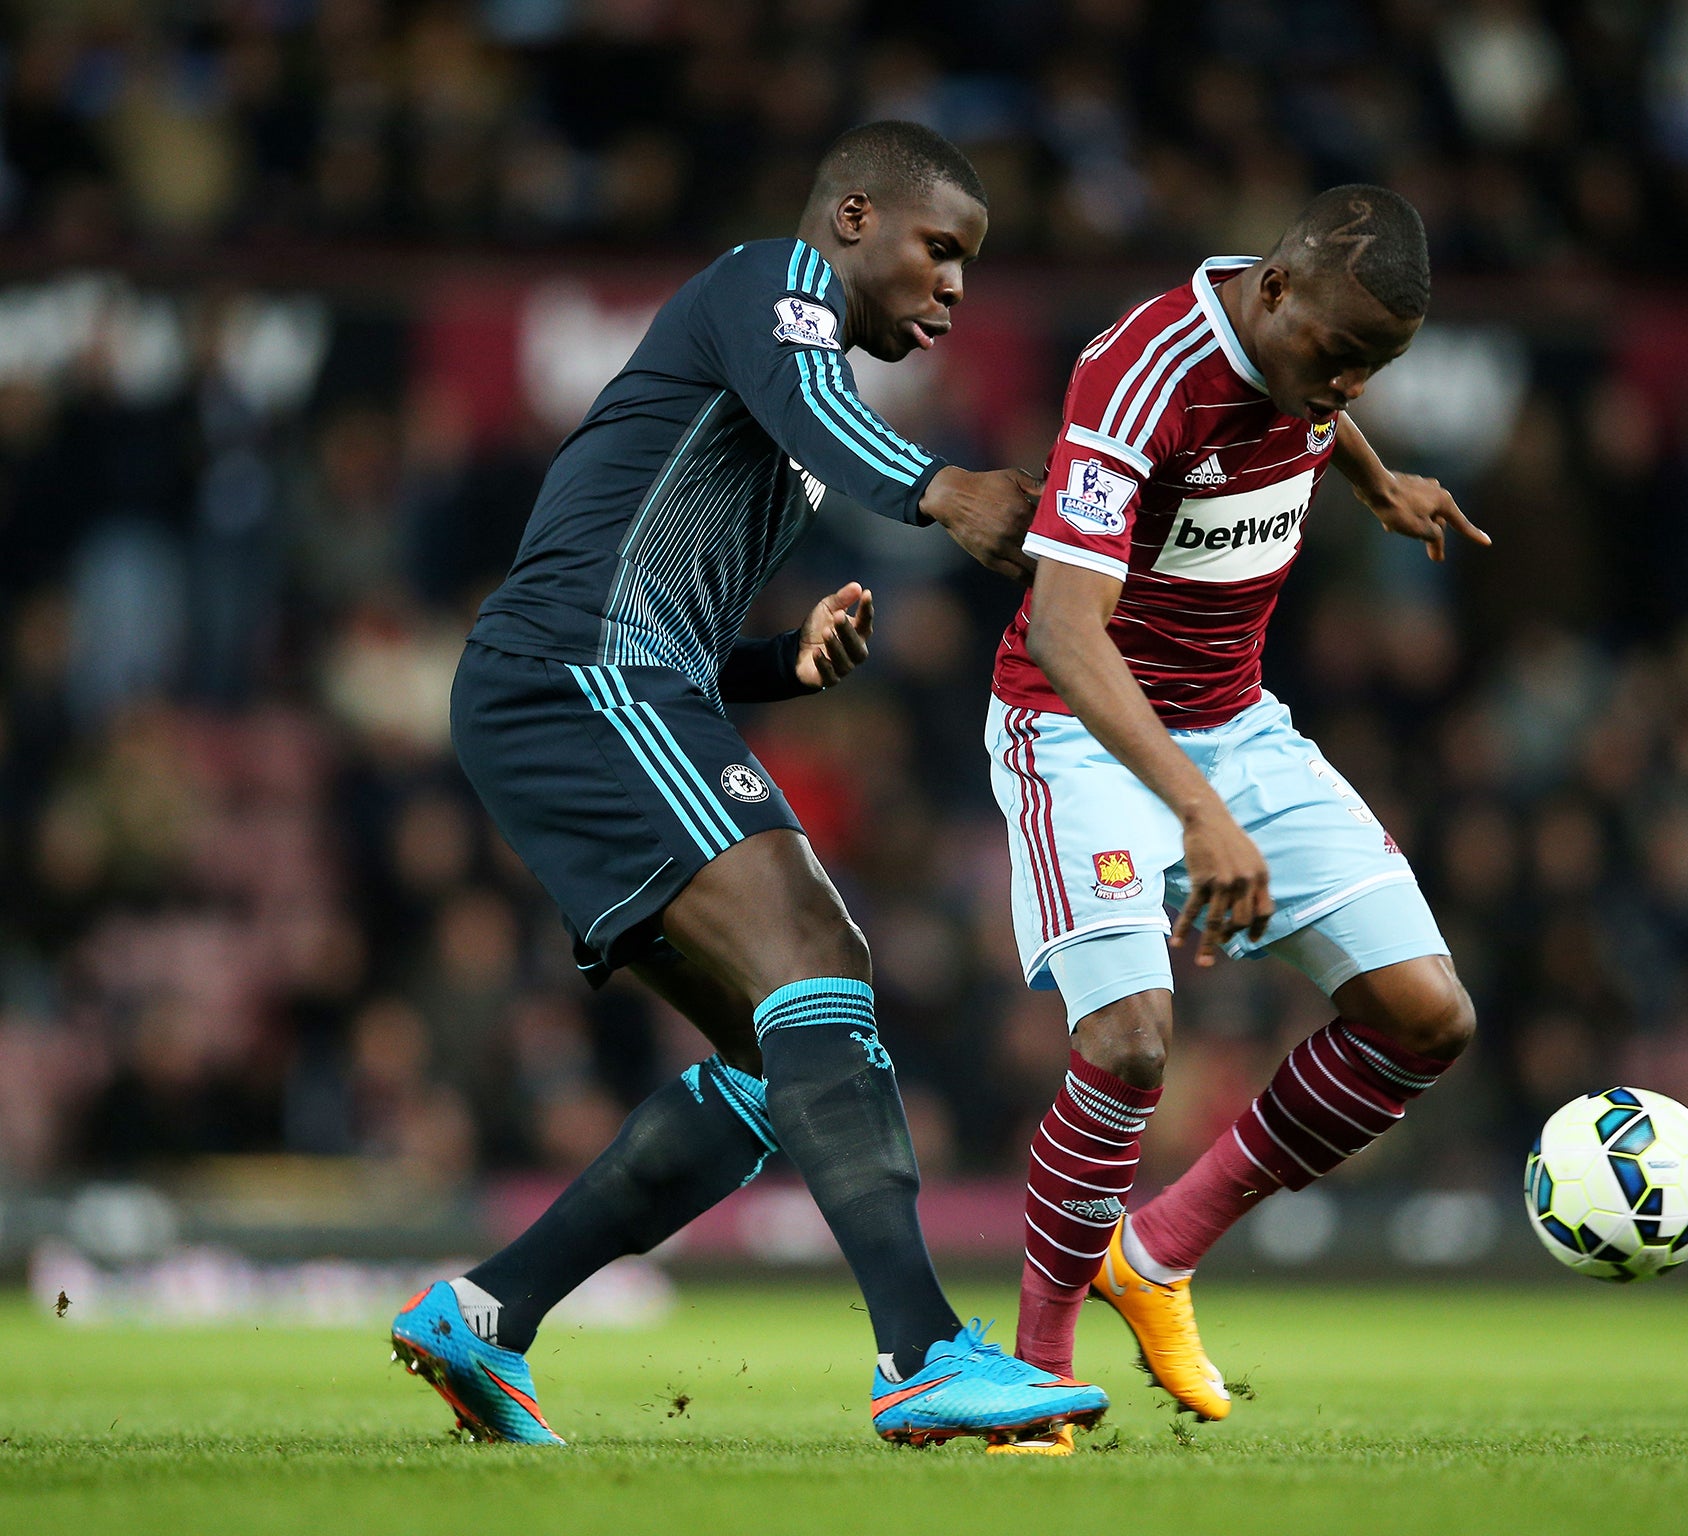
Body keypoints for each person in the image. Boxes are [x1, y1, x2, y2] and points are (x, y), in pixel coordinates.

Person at [389, 121, 1107, 1450]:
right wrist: (944, 486)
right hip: (575, 676)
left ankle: (485, 1314)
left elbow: (665, 600)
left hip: (601, 678)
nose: (955, 284)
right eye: (937, 248)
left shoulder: (778, 401)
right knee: (815, 945)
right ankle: (920, 1356)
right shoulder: (765, 287)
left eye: (971, 264)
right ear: (849, 223)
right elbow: (828, 431)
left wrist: (784, 661)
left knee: (775, 1064)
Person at [982, 186, 1489, 1453]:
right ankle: (1035, 1374)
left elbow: (1305, 412)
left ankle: (1154, 1257)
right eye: (1339, 355)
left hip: (1234, 719)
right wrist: (1198, 816)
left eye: (1377, 370)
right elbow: (1060, 625)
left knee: (1425, 1015)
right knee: (1131, 1042)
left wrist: (1371, 484)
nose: (1351, 386)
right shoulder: (1141, 371)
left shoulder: (1307, 363)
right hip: (1078, 722)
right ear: (1274, 291)